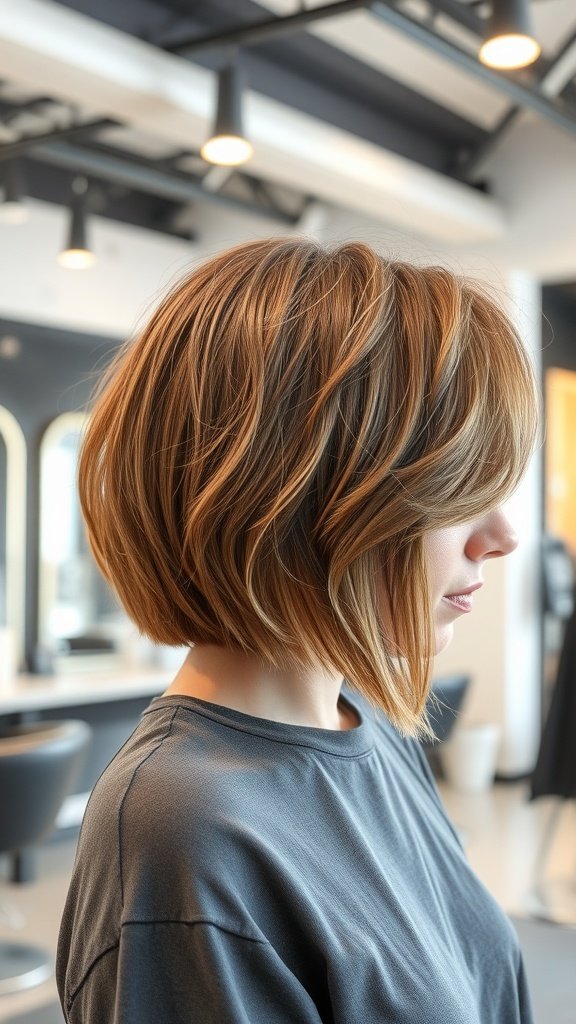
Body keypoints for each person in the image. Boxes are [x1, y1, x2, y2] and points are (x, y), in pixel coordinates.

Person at [56, 238, 539, 1023]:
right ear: (304, 495)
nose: (501, 534)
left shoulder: (371, 725)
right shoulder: (184, 833)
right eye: (457, 492)